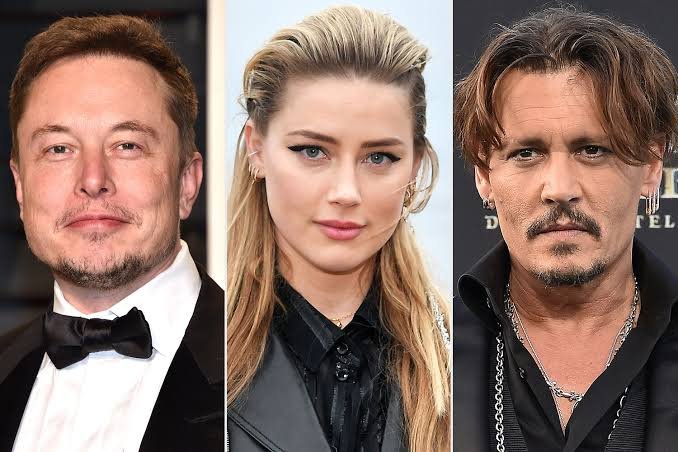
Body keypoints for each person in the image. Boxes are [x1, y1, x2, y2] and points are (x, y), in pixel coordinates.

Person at [226, 6, 450, 452]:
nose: (346, 192)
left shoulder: (470, 362)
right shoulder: (201, 350)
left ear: (415, 167)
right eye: (312, 151)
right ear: (257, 149)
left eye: (379, 158)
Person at [453, 7, 678, 451]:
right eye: (526, 153)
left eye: (592, 150)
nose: (559, 189)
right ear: (483, 173)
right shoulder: (424, 354)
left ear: (652, 166)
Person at [0, 15, 223, 452]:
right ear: (21, 188)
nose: (93, 179)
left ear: (187, 183)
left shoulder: (278, 371)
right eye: (58, 149)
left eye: (127, 145)